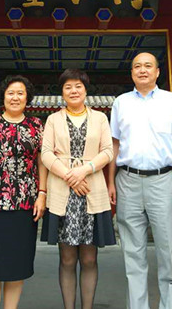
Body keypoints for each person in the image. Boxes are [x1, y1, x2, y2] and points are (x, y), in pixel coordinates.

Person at [108, 52, 172, 309]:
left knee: (167, 250)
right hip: (127, 180)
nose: (142, 70)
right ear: (132, 73)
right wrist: (110, 181)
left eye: (148, 66)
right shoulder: (121, 103)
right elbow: (114, 144)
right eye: (137, 66)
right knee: (132, 253)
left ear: (157, 72)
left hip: (163, 180)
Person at [0, 75, 47, 309]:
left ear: (27, 97)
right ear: (3, 96)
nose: (15, 97)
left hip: (25, 203)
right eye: (10, 93)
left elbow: (42, 162)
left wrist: (42, 193)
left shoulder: (36, 125)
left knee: (17, 265)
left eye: (20, 93)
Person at [41, 69, 116, 309]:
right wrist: (70, 176)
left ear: (85, 90)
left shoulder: (100, 118)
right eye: (68, 87)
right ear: (62, 92)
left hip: (91, 191)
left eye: (78, 86)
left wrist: (84, 170)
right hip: (63, 193)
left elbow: (108, 151)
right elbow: (46, 153)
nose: (73, 91)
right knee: (67, 258)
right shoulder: (53, 120)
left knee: (89, 258)